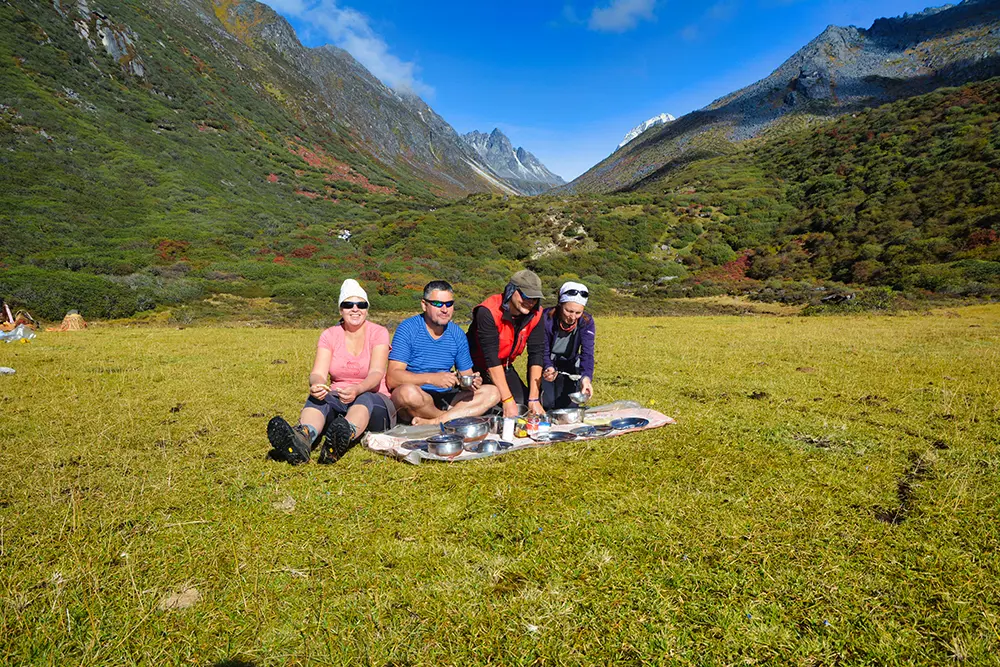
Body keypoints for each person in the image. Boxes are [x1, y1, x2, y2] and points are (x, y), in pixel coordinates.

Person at [267, 279, 393, 465]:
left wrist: (357, 389)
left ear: (367, 308)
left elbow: (376, 374)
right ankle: (304, 436)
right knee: (319, 397)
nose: (355, 309)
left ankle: (344, 434)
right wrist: (316, 384)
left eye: (361, 304)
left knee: (365, 397)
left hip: (375, 402)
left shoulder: (378, 333)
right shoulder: (329, 335)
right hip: (339, 398)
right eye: (348, 304)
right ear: (340, 310)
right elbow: (318, 372)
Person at [387, 280, 500, 424]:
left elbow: (466, 376)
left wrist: (472, 381)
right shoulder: (408, 329)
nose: (445, 309)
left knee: (492, 393)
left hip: (446, 397)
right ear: (424, 305)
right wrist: (432, 379)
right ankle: (450, 419)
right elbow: (392, 378)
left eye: (449, 304)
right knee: (406, 393)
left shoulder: (457, 334)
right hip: (417, 394)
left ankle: (435, 421)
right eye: (438, 304)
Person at [466, 269, 547, 420]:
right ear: (511, 290)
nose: (530, 302)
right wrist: (507, 399)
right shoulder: (488, 311)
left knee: (521, 405)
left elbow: (537, 353)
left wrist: (534, 398)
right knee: (495, 409)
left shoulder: (536, 314)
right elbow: (491, 358)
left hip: (505, 365)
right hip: (476, 367)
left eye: (535, 298)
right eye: (526, 296)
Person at [541, 281, 596, 410]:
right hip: (546, 361)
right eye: (569, 311)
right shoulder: (545, 318)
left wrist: (586, 378)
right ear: (560, 305)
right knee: (547, 404)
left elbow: (587, 353)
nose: (572, 317)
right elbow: (541, 348)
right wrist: (548, 366)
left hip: (569, 364)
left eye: (578, 313)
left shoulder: (587, 322)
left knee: (568, 406)